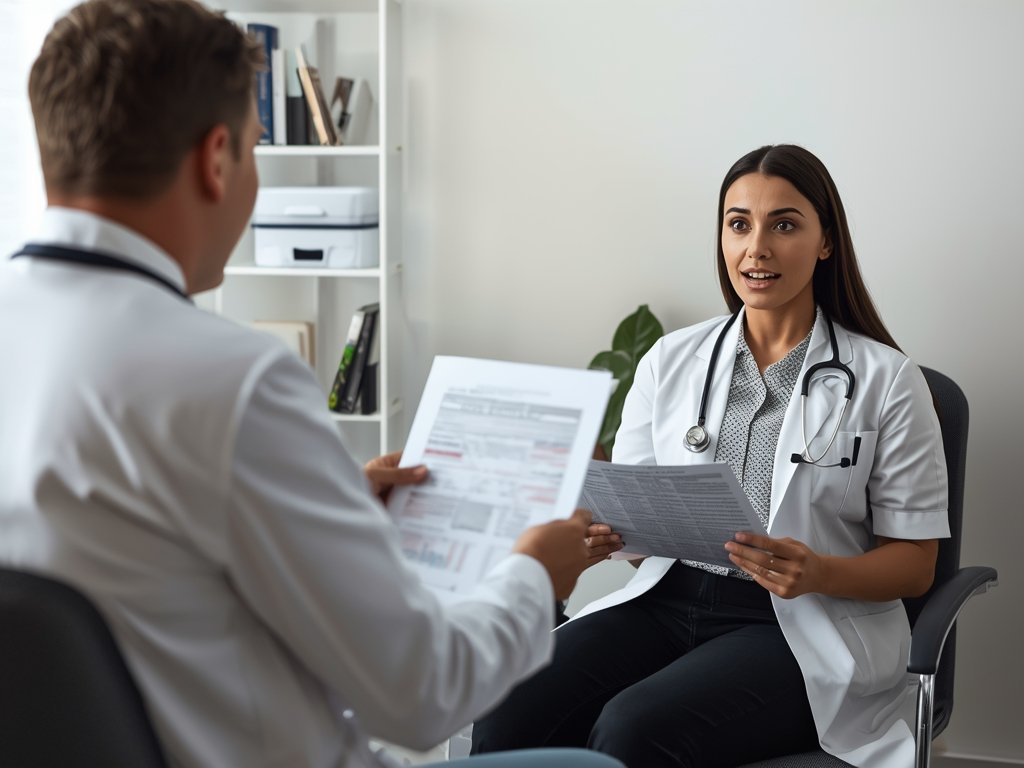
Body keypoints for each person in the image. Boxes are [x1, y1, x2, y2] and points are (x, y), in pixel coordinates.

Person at [0, 2, 626, 767]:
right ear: (217, 157)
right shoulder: (231, 380)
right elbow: (423, 694)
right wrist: (535, 572)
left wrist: (327, 504)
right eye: (259, 148)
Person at [471, 144, 950, 768]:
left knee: (634, 728)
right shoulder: (670, 360)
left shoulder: (886, 379)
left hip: (798, 623)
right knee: (511, 699)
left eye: (785, 224)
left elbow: (915, 566)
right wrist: (604, 536)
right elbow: (639, 525)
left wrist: (820, 574)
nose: (757, 249)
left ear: (826, 241)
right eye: (738, 224)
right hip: (665, 598)